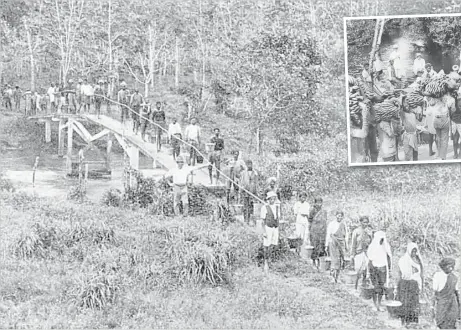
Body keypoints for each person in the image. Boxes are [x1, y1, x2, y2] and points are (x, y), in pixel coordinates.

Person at [397, 242, 424, 327]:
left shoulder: (418, 260)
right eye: (412, 251)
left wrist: (421, 286)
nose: (414, 253)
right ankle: (404, 322)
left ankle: (413, 323)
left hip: (415, 285)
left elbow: (421, 274)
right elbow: (401, 274)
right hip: (405, 284)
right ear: (409, 251)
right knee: (405, 303)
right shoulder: (403, 260)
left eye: (415, 251)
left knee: (414, 304)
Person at [367, 231, 392, 312]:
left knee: (381, 287)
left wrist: (389, 269)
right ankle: (375, 304)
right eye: (380, 239)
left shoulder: (385, 246)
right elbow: (370, 259)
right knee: (375, 287)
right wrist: (370, 271)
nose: (381, 241)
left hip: (383, 269)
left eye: (382, 239)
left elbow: (389, 257)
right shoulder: (373, 246)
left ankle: (379, 303)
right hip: (374, 268)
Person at [432, 258, 460, 329]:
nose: (451, 268)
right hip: (442, 304)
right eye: (449, 266)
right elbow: (434, 292)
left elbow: (456, 292)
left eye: (453, 266)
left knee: (452, 322)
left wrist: (459, 306)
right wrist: (432, 307)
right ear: (443, 266)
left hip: (452, 304)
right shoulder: (437, 276)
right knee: (442, 323)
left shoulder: (454, 277)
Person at [350, 216, 373, 290]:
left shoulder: (369, 231)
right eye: (364, 222)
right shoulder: (356, 231)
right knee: (358, 271)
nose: (365, 224)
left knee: (365, 271)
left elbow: (372, 244)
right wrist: (352, 255)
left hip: (366, 253)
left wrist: (370, 235)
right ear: (360, 222)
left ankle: (363, 288)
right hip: (358, 253)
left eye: (367, 222)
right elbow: (353, 244)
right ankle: (355, 287)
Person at [260, 191, 280, 273]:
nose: (272, 200)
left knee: (274, 244)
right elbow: (262, 221)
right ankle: (265, 262)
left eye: (273, 199)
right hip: (268, 228)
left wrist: (278, 227)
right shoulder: (264, 207)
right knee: (266, 245)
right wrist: (264, 232)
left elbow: (278, 218)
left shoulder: (277, 207)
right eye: (270, 199)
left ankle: (271, 260)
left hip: (275, 228)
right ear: (268, 199)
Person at [326, 210, 347, 283]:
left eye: (341, 216)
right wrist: (326, 245)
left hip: (341, 244)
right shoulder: (331, 224)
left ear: (342, 217)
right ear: (336, 216)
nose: (339, 217)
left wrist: (346, 246)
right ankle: (332, 277)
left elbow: (346, 236)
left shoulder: (344, 225)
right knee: (334, 260)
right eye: (338, 215)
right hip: (333, 243)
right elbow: (328, 234)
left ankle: (337, 277)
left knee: (340, 260)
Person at [308, 196, 327, 270]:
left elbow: (325, 221)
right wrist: (310, 231)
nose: (319, 204)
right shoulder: (312, 211)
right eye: (317, 202)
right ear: (315, 203)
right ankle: (313, 261)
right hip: (314, 231)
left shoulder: (324, 211)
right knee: (314, 246)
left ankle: (319, 262)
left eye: (320, 202)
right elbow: (310, 221)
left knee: (321, 246)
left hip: (321, 231)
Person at [401, 96, 421, 161]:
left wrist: (420, 110)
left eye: (408, 101)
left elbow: (419, 119)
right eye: (405, 101)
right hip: (407, 135)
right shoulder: (402, 112)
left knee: (415, 153)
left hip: (414, 134)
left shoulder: (413, 111)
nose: (406, 102)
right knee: (407, 155)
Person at [240, 160, 259, 225]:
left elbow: (256, 183)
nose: (249, 166)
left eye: (250, 164)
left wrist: (256, 193)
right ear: (246, 165)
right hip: (245, 191)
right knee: (245, 206)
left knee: (251, 206)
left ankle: (251, 220)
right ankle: (246, 219)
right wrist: (241, 189)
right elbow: (241, 182)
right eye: (248, 164)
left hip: (252, 191)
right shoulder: (243, 173)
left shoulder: (255, 173)